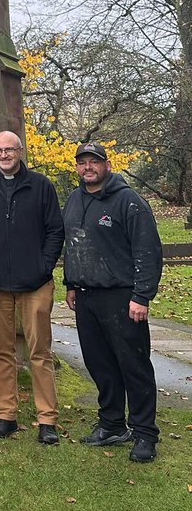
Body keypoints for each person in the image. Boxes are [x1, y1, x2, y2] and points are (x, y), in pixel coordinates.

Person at [0, 130, 64, 444]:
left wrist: (43, 266)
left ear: (19, 151)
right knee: (0, 351)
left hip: (34, 284)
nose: (4, 155)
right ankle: (5, 415)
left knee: (39, 352)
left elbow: (55, 230)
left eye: (9, 149)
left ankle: (47, 419)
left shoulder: (41, 186)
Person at [64, 142, 163, 462]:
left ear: (107, 165)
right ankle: (111, 424)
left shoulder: (129, 202)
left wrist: (142, 295)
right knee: (100, 364)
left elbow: (147, 250)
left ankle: (145, 433)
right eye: (82, 162)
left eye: (94, 162)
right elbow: (73, 243)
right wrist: (70, 283)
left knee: (133, 366)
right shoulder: (75, 200)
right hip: (86, 296)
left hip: (122, 298)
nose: (88, 167)